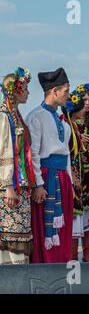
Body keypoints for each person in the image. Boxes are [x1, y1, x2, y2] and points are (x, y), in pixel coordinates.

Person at [26, 68, 74, 263]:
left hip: (62, 177)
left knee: (64, 227)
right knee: (44, 228)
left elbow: (67, 155)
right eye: (66, 91)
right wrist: (37, 184)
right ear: (54, 91)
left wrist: (70, 181)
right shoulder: (36, 116)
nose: (68, 95)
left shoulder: (63, 120)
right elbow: (34, 154)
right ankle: (45, 264)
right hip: (46, 177)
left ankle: (61, 262)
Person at [63, 84, 89, 262]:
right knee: (76, 213)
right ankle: (73, 254)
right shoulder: (68, 122)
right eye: (84, 100)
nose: (87, 103)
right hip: (75, 169)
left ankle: (87, 252)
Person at [0, 68, 36, 264]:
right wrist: (8, 186)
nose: (29, 93)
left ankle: (17, 275)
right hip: (9, 186)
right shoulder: (4, 116)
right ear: (18, 90)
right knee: (11, 233)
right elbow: (4, 151)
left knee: (18, 231)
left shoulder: (16, 116)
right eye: (27, 89)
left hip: (19, 184)